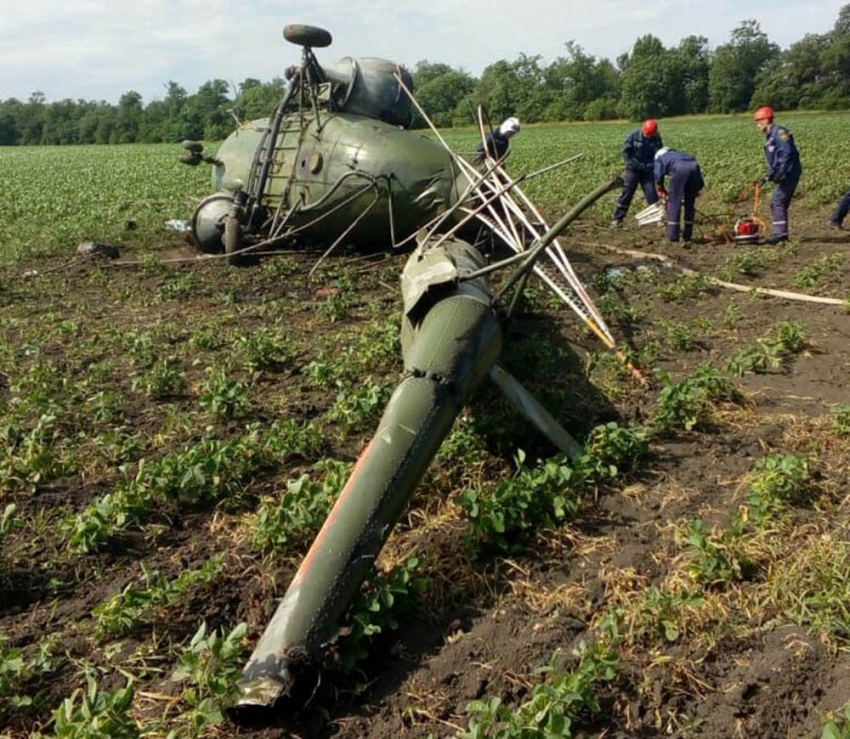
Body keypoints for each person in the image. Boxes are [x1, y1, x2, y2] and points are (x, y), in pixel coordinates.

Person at [753, 106, 802, 244]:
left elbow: (787, 152)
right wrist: (767, 177)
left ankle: (780, 235)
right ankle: (781, 233)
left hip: (789, 172)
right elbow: (776, 161)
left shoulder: (780, 132)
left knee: (777, 201)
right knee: (779, 202)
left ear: (766, 120)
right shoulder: (771, 135)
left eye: (759, 121)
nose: (757, 125)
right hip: (786, 171)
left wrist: (781, 172)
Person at [612, 119, 664, 226]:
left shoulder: (656, 138)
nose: (648, 136)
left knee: (651, 194)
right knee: (627, 192)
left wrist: (651, 165)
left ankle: (659, 218)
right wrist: (633, 163)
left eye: (650, 135)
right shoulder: (633, 135)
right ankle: (618, 218)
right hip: (633, 170)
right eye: (646, 134)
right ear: (643, 129)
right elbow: (626, 152)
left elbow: (659, 153)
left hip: (647, 171)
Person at [653, 147, 705, 243]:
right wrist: (695, 190)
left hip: (680, 169)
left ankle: (673, 236)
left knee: (674, 203)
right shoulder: (683, 155)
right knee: (689, 203)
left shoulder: (660, 158)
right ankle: (687, 235)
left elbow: (658, 173)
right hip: (694, 168)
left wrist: (660, 187)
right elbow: (699, 177)